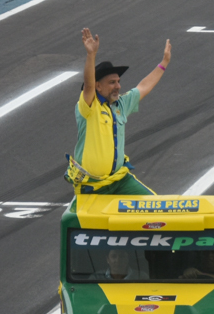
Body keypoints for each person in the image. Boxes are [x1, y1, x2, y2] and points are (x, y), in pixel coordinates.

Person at [67, 27, 172, 195]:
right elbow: (88, 85)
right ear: (98, 86)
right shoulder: (89, 106)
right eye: (112, 82)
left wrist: (164, 63)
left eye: (118, 81)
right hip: (92, 185)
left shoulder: (121, 104)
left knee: (154, 205)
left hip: (119, 180)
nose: (118, 86)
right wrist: (91, 55)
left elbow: (143, 87)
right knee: (87, 214)